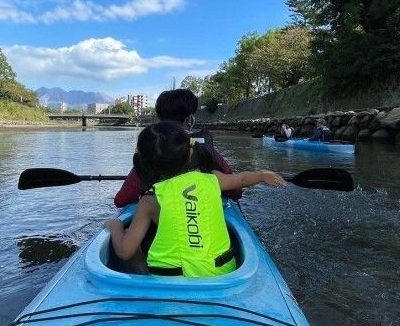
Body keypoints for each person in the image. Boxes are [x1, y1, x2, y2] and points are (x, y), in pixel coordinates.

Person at [105, 121, 286, 276]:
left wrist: (115, 225)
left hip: (172, 281)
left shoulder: (150, 200)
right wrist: (262, 175)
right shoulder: (212, 179)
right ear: (190, 152)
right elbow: (241, 179)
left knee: (131, 238)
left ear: (144, 163)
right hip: (221, 273)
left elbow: (125, 251)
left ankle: (143, 279)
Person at [113, 89, 241, 207]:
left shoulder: (149, 153)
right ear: (189, 119)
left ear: (160, 119)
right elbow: (236, 192)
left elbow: (121, 200)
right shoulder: (204, 151)